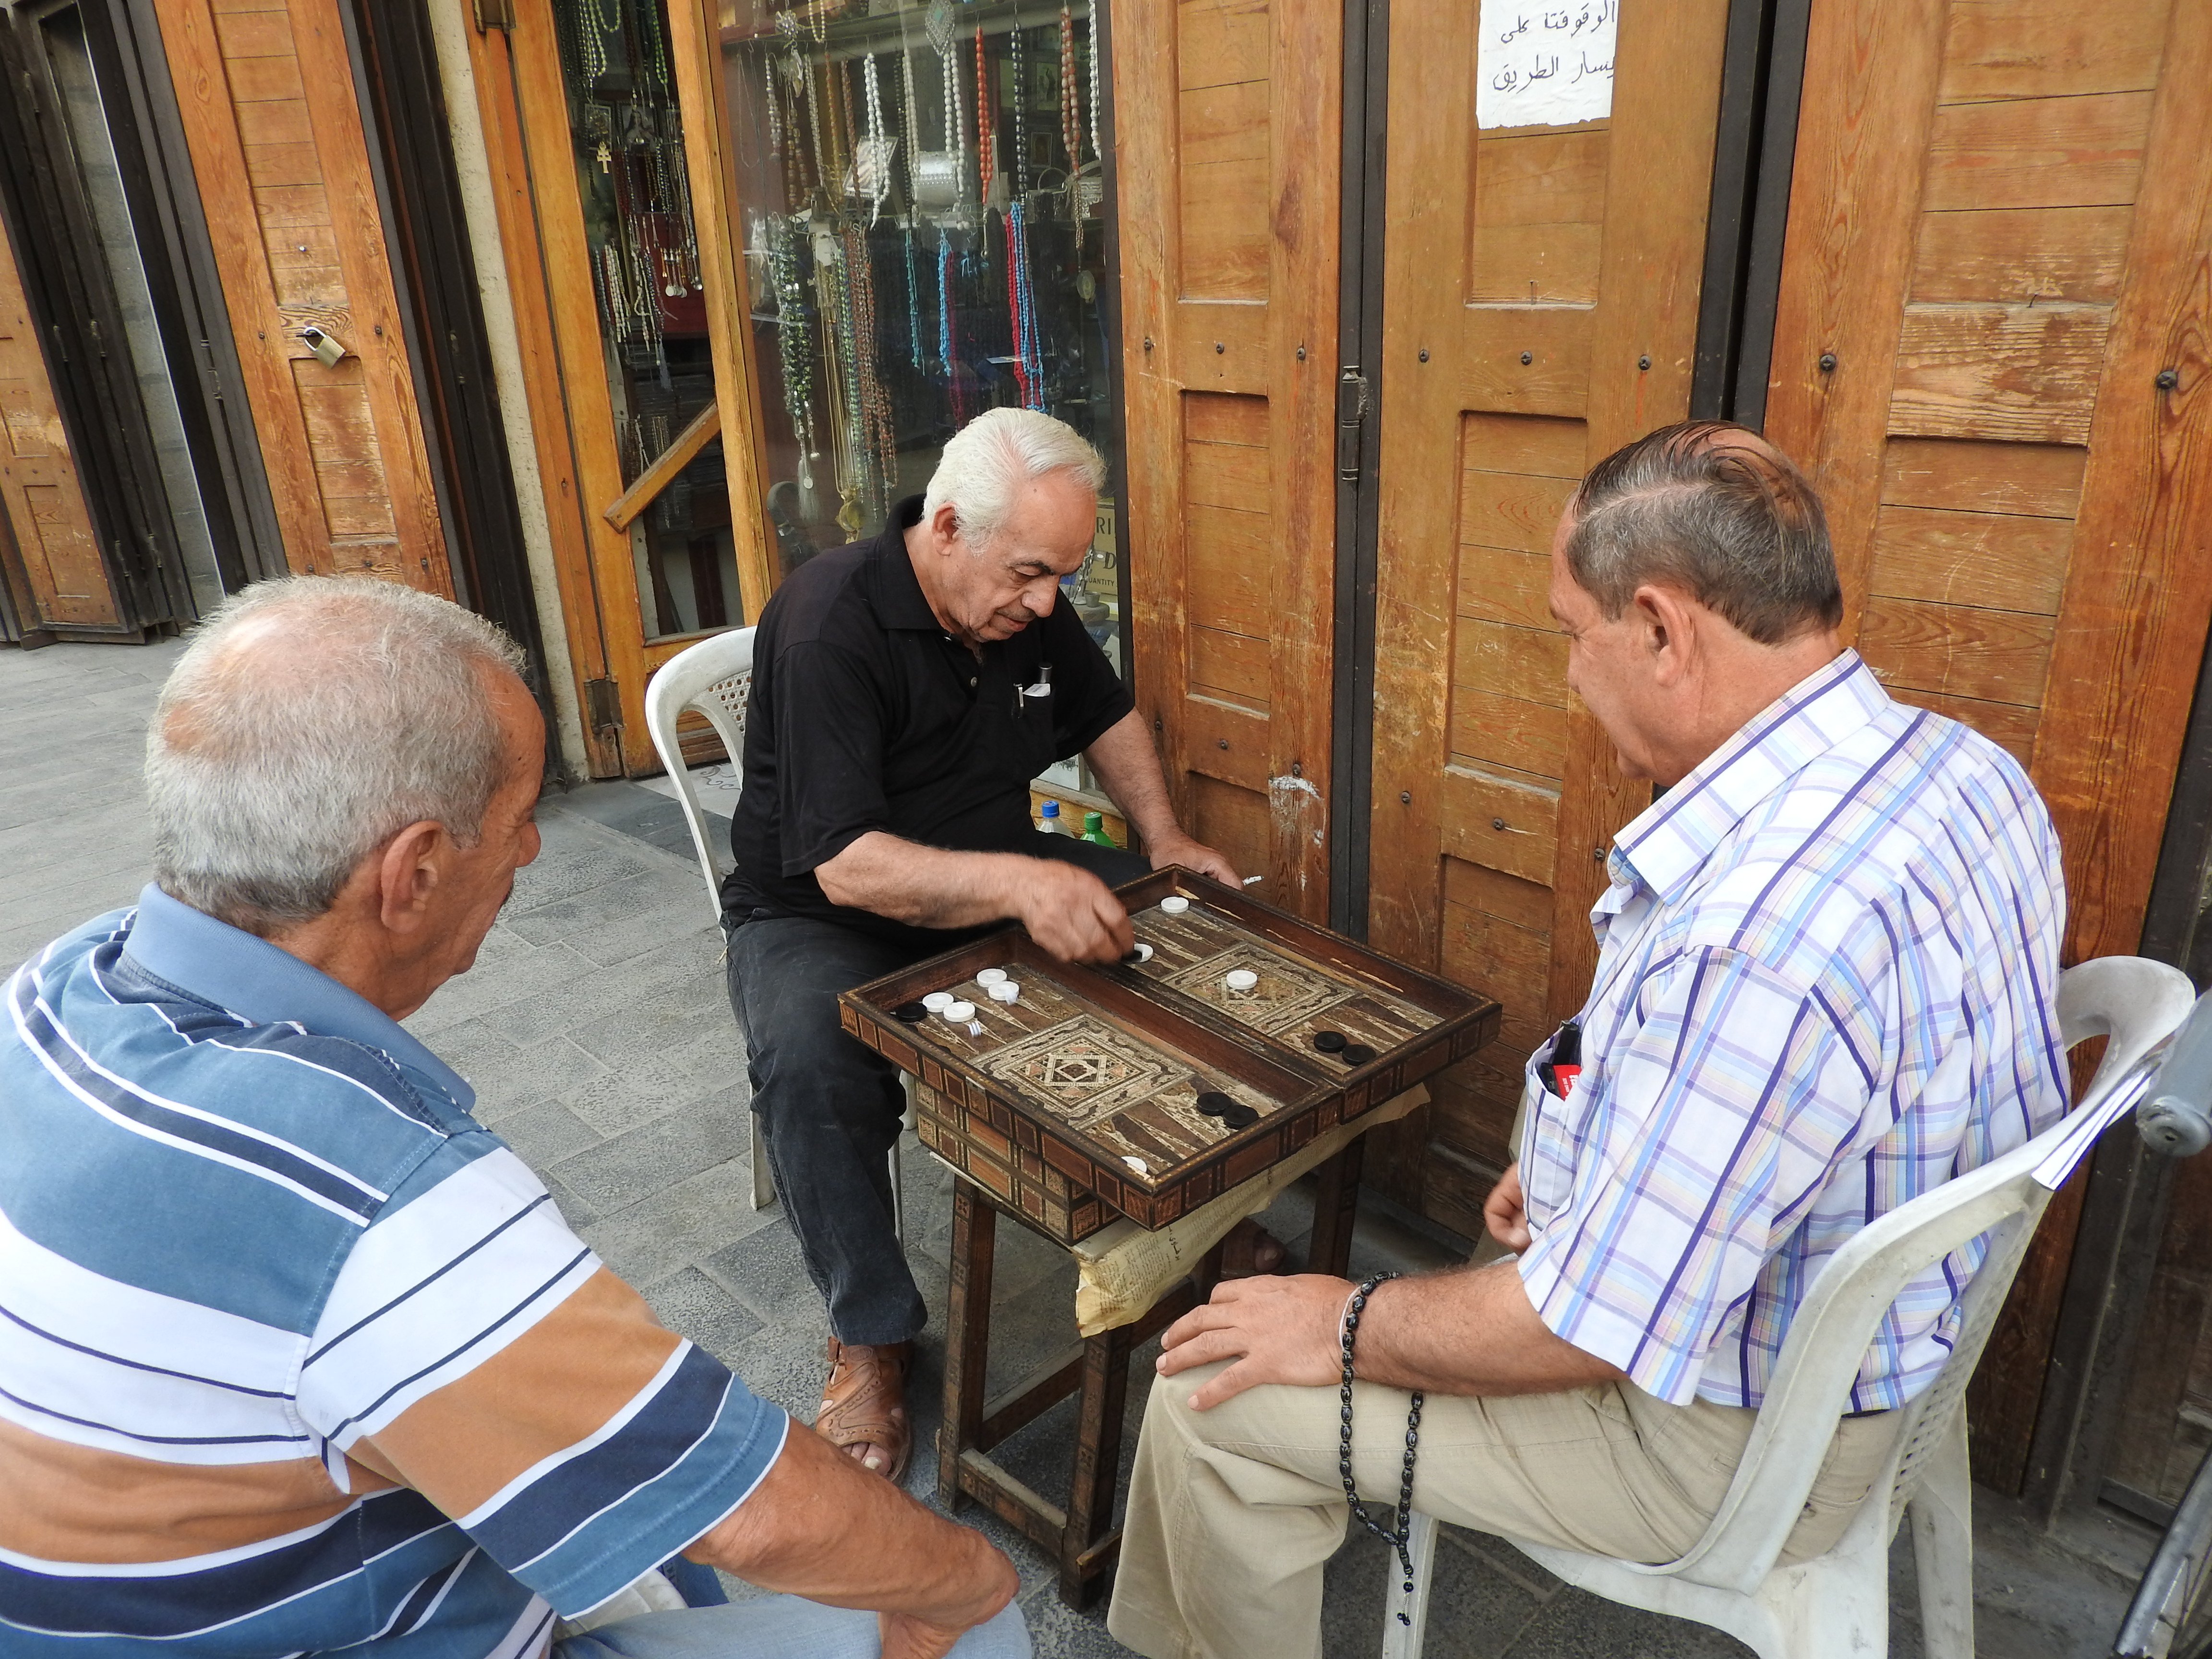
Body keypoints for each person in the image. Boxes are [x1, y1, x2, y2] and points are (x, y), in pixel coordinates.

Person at [1105, 421, 2070, 1659]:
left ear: (1664, 630)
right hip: (1889, 1347)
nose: (1569, 673)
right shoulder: (1963, 767)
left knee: (1207, 1394)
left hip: (1729, 1440)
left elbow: (1583, 1330)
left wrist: (1341, 1320)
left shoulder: (1761, 935)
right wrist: (1581, 1156)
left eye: (1574, 632)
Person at [0, 578, 1028, 1659]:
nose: (534, 852)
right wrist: (971, 1576)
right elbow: (742, 1504)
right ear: (416, 870)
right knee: (976, 1621)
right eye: (521, 817)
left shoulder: (54, 987)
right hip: (389, 1623)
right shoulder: (374, 1199)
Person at [722, 408, 1240, 1481]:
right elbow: (844, 864)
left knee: (1176, 949)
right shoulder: (831, 624)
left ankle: (1204, 1223)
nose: (1048, 601)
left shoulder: (1018, 600)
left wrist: (1168, 838)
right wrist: (1022, 881)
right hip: (826, 915)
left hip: (1002, 876)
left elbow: (1107, 716)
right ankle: (870, 1335)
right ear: (947, 526)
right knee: (812, 1064)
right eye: (1030, 573)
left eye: (1064, 574)